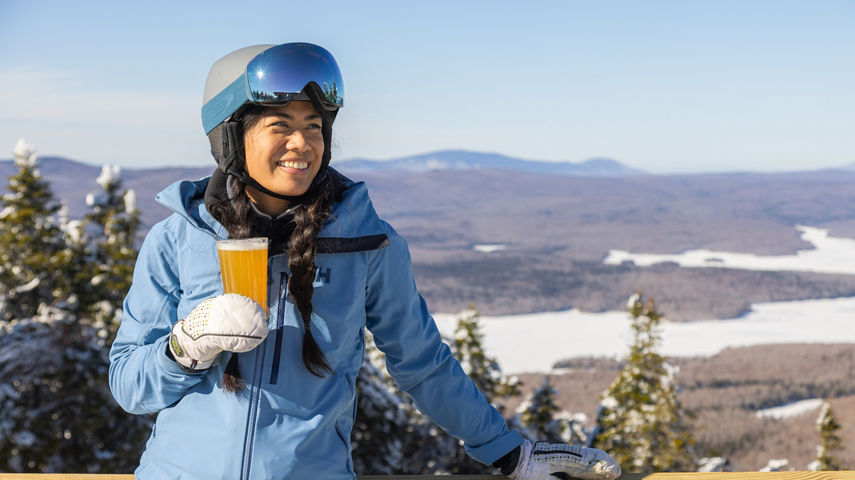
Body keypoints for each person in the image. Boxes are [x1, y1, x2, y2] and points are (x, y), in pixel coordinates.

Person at [108, 42, 621, 480]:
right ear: (230, 137)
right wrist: (184, 347)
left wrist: (507, 454)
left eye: (314, 125)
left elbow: (421, 363)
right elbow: (129, 384)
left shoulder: (367, 241)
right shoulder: (178, 239)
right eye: (279, 125)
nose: (302, 143)